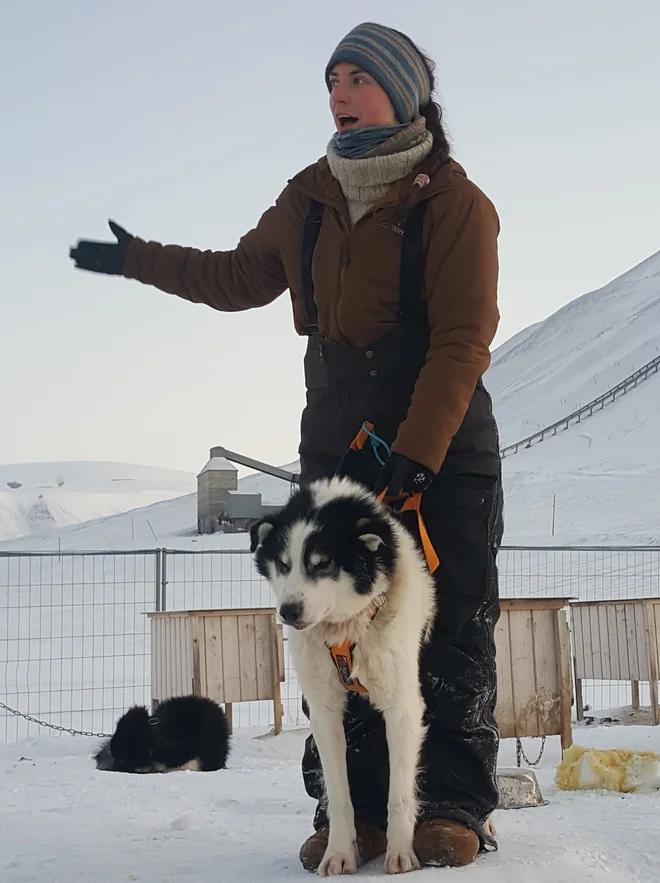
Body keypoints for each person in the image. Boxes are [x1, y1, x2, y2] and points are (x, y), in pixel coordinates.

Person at [70, 21, 504, 872]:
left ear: (404, 92)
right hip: (338, 453)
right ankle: (352, 817)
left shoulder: (453, 204)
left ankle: (451, 805)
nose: (339, 94)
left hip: (442, 452)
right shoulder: (308, 198)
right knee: (330, 640)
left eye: (358, 79)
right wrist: (135, 260)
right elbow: (235, 276)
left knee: (449, 629)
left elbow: (462, 341)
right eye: (331, 80)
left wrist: (413, 461)